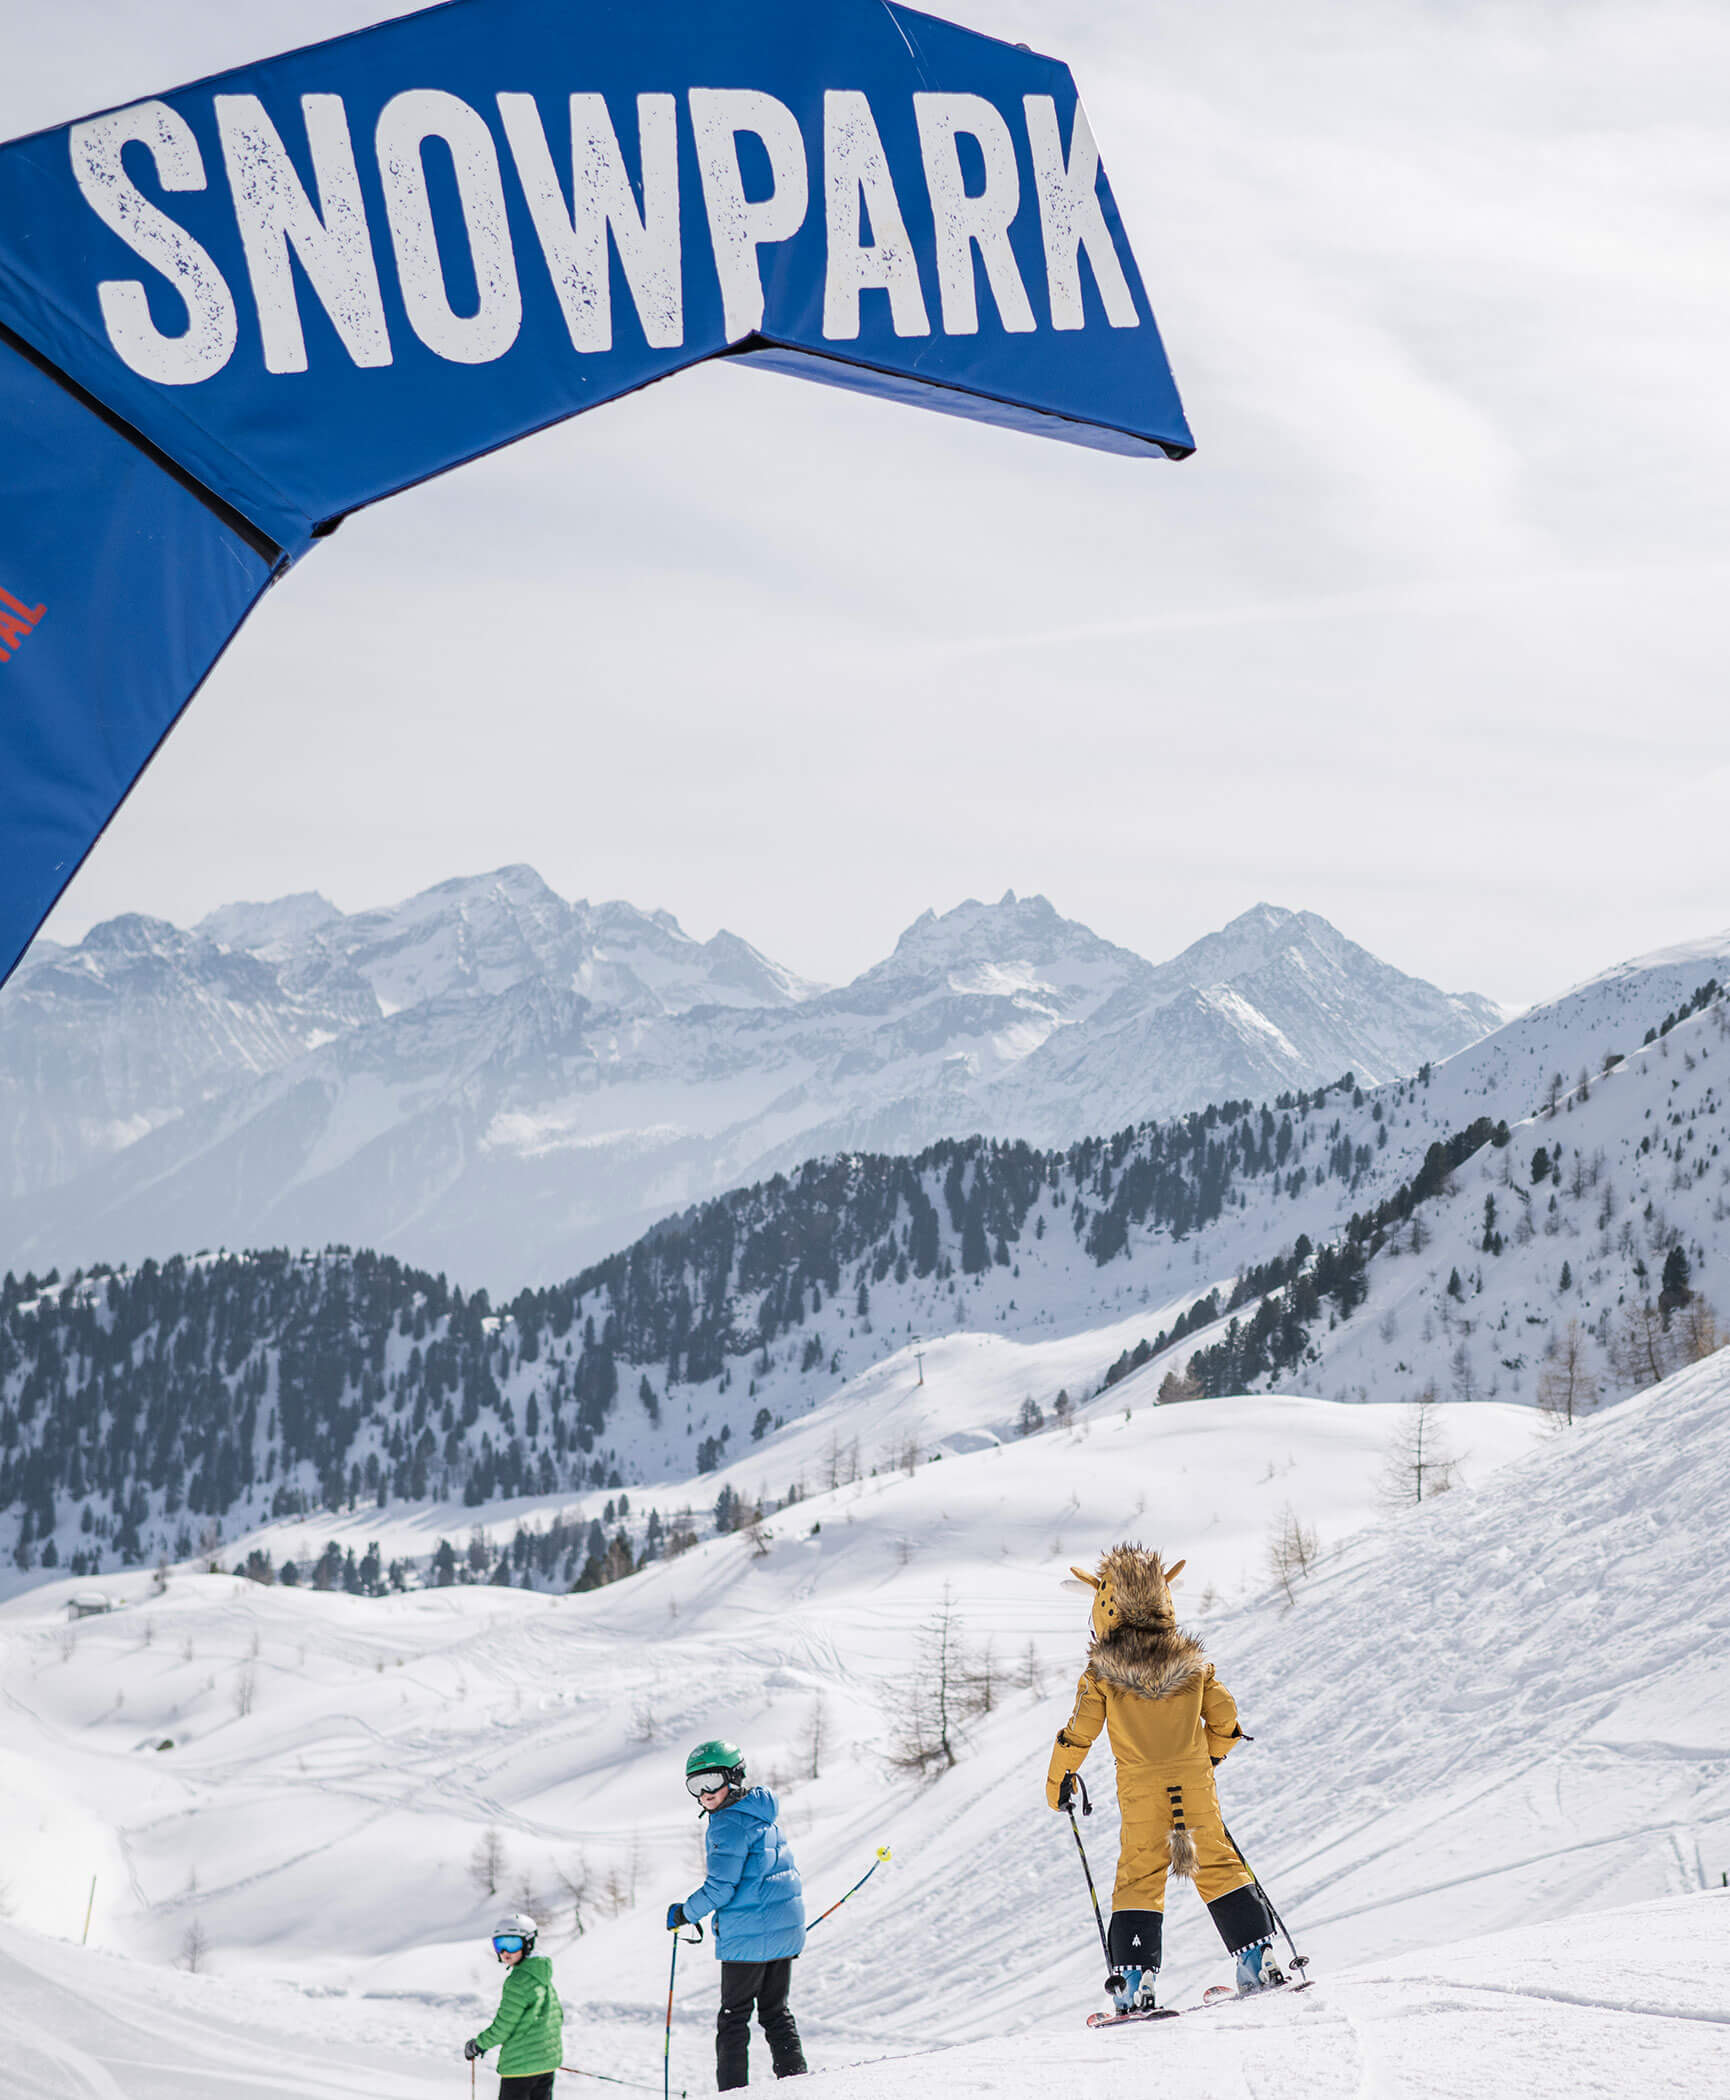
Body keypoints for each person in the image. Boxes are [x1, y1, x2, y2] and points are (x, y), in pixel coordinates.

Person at [1046, 1546, 1279, 2014]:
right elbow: (1226, 1719)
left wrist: (1061, 1784)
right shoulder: (1194, 1666)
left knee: (1140, 1874)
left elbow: (1078, 1736)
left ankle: (1135, 1988)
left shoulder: (1102, 1676)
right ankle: (1260, 1960)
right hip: (1195, 1786)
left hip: (1142, 1793)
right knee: (1216, 1861)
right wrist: (1205, 1762)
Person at [666, 1738, 808, 2089]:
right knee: (776, 2012)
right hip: (782, 1933)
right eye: (695, 1786)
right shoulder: (760, 1812)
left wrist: (685, 1913)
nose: (704, 1794)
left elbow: (721, 1888)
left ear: (734, 1776)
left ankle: (732, 2093)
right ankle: (797, 2084)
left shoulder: (726, 1824)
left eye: (711, 1782)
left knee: (733, 2019)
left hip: (748, 1936)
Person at [463, 1912, 563, 2097]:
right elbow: (556, 2017)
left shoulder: (517, 1981)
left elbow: (505, 2024)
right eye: (499, 1945)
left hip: (520, 2067)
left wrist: (479, 2044)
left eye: (512, 1943)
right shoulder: (542, 1975)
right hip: (546, 2065)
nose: (504, 1952)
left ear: (528, 1943)